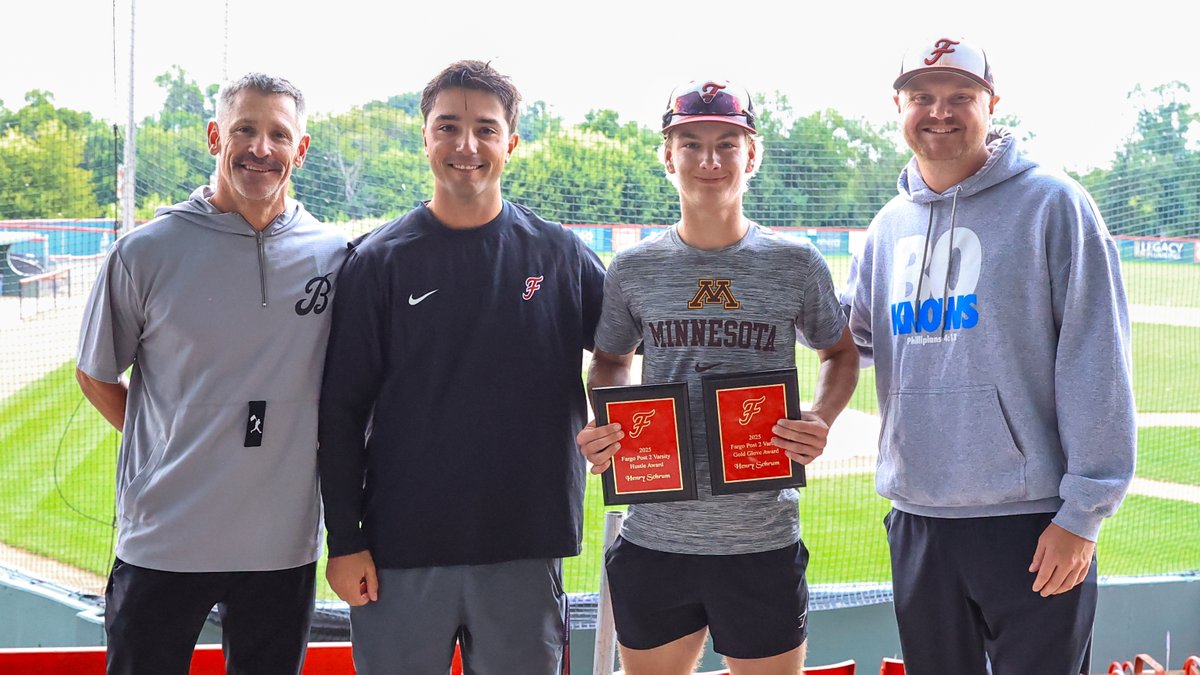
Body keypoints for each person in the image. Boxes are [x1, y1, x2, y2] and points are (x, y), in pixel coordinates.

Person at [845, 37, 1136, 675]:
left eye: (960, 97)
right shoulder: (889, 224)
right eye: (922, 97)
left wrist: (1083, 514)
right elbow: (851, 336)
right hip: (919, 516)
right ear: (899, 106)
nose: (939, 112)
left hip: (1031, 521)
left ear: (992, 103)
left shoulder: (1054, 204)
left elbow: (1098, 360)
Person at [317, 60, 605, 674]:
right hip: (400, 550)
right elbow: (339, 413)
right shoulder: (378, 262)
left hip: (525, 547)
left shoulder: (558, 254)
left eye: (486, 129)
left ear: (512, 143)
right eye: (447, 127)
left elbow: (624, 342)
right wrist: (345, 539)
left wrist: (615, 411)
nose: (466, 146)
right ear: (424, 137)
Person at [576, 80, 859, 675]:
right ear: (667, 155)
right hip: (655, 535)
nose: (709, 160)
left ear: (751, 154)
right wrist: (608, 419)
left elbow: (839, 352)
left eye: (727, 143)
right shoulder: (634, 268)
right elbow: (609, 358)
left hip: (761, 538)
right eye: (692, 143)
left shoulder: (794, 262)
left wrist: (821, 418)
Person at [75, 73, 347, 675]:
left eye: (279, 134)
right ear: (213, 136)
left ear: (300, 150)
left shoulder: (334, 256)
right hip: (164, 537)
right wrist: (169, 444)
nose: (260, 148)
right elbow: (95, 375)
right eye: (244, 129)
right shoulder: (144, 253)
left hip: (281, 544)